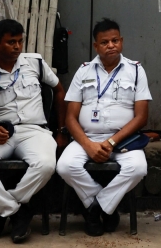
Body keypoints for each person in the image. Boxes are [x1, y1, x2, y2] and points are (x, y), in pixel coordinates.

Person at [0, 19, 66, 243]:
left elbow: (58, 90)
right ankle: (18, 212)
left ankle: (2, 212)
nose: (17, 47)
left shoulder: (35, 63)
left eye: (20, 41)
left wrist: (60, 130)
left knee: (47, 163)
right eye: (11, 42)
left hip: (34, 132)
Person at [56, 19, 151, 236]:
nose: (111, 45)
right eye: (105, 42)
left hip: (123, 140)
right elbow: (70, 117)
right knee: (64, 166)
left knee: (138, 168)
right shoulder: (84, 72)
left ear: (122, 41)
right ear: (95, 46)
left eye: (115, 40)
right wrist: (88, 145)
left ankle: (96, 209)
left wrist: (111, 142)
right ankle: (107, 208)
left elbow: (142, 117)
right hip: (86, 137)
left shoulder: (136, 71)